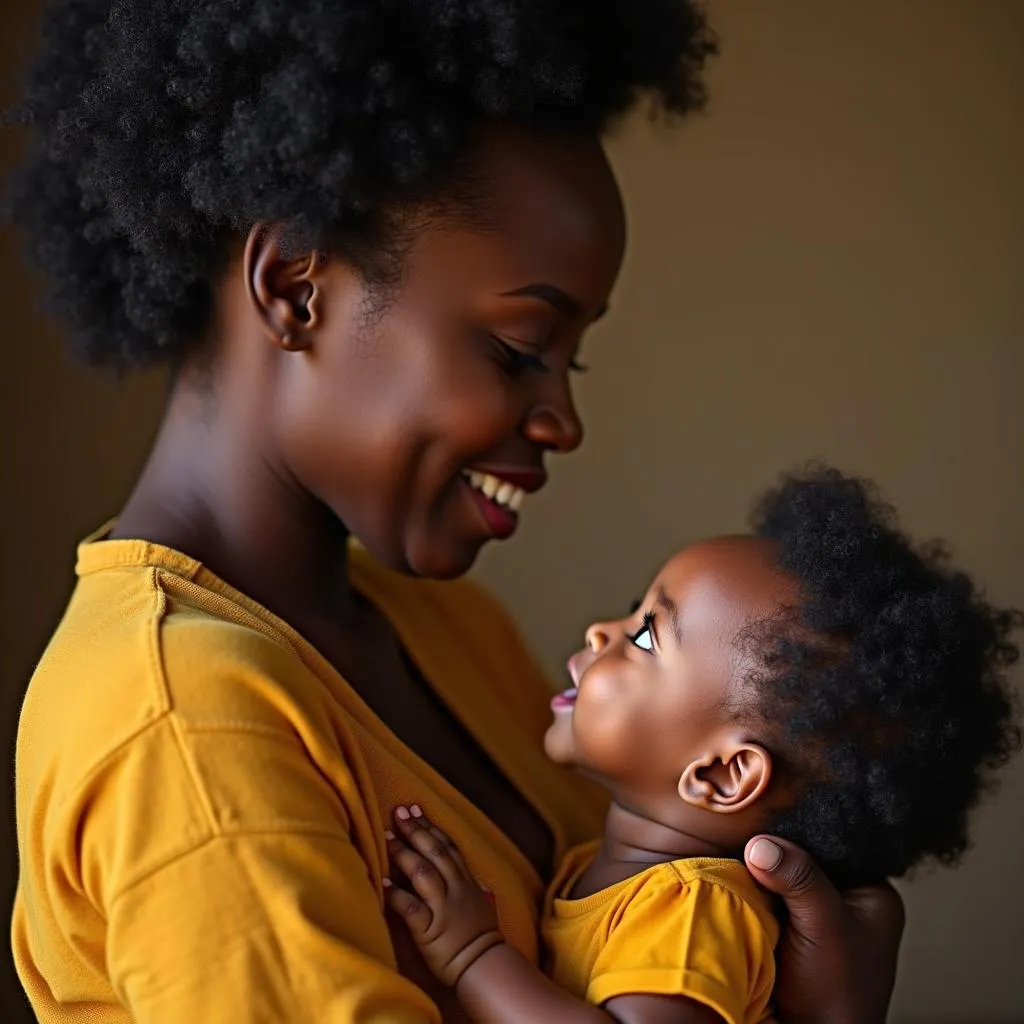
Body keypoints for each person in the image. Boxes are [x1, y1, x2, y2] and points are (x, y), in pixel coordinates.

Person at [8, 2, 904, 1021]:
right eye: (520, 349)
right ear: (295, 285)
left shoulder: (447, 632)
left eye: (575, 358)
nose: (563, 419)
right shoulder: (176, 723)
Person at [381, 468, 1021, 1024]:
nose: (601, 631)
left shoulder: (692, 905)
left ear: (719, 775)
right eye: (635, 614)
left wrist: (474, 955)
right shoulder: (604, 867)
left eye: (646, 638)